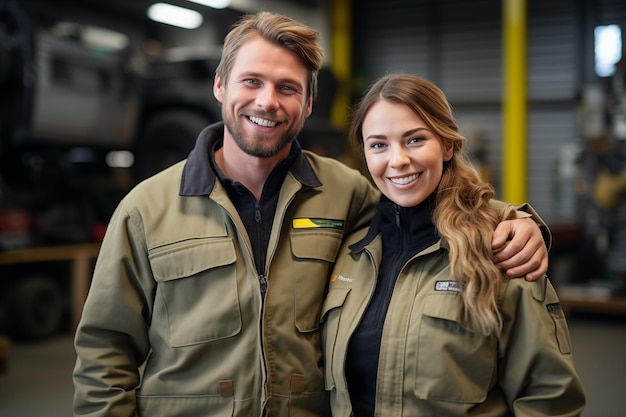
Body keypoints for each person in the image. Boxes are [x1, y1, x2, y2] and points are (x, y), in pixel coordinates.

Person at [72, 12, 551, 417]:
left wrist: (520, 222)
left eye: (287, 87)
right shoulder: (146, 208)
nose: (267, 101)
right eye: (252, 81)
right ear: (220, 86)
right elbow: (104, 352)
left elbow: (424, 204)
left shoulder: (346, 192)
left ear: (307, 103)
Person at [321, 73, 586, 417]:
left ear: (447, 144)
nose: (397, 160)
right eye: (378, 144)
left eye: (415, 139)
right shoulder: (351, 251)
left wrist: (516, 218)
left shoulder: (500, 248)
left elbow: (549, 398)